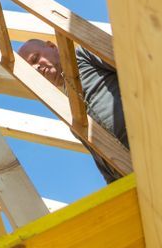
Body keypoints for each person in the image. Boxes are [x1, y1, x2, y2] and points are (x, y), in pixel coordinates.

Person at [18, 38, 129, 184]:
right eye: (31, 70)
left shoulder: (83, 55)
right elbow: (100, 159)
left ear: (52, 47)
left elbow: (130, 64)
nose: (36, 68)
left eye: (35, 58)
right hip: (130, 173)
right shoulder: (67, 109)